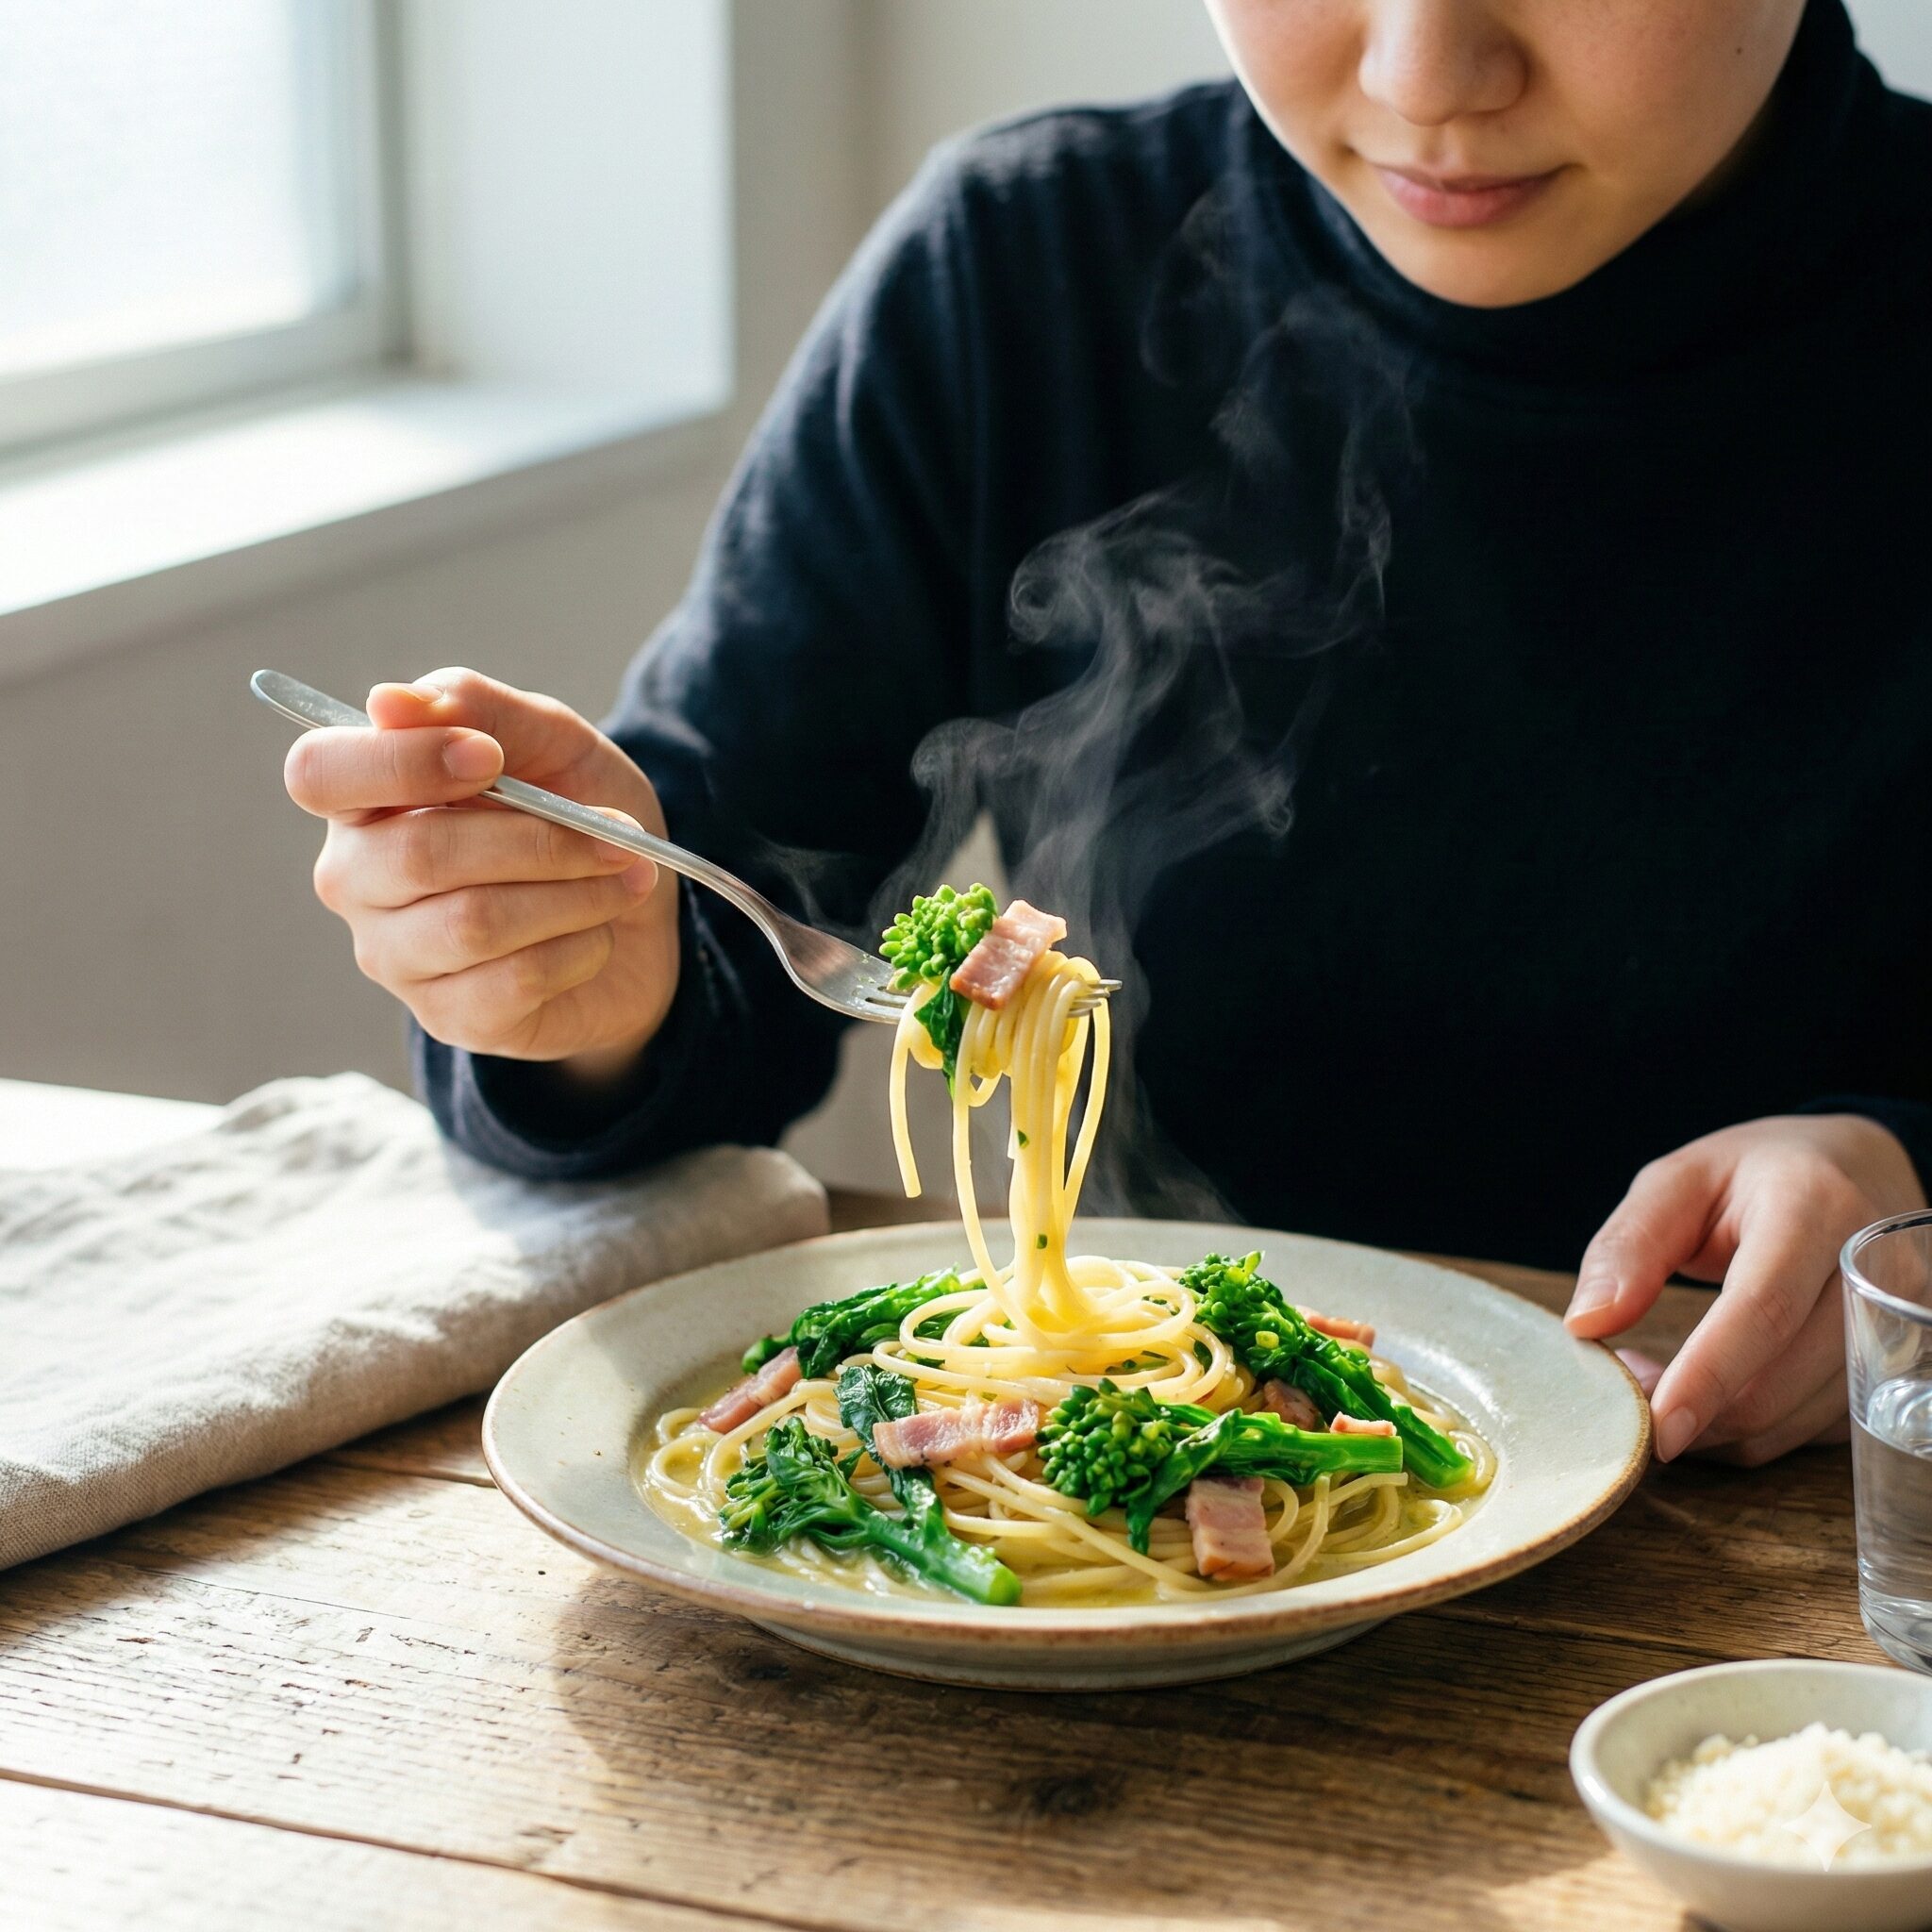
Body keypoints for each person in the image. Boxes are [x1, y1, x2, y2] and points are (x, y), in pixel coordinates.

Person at [281, 0, 1932, 1470]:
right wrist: (583, 971)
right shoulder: (1024, 268)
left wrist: (1916, 1192)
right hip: (1156, 1561)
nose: (1428, 71)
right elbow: (723, 939)